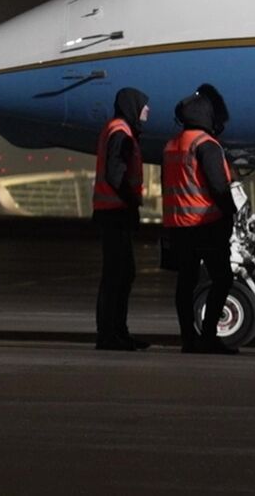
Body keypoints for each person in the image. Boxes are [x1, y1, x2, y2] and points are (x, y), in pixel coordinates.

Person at [162, 87, 239, 355]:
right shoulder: (206, 145)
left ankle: (188, 339)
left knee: (186, 282)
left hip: (177, 226)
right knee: (222, 279)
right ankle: (208, 336)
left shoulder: (172, 144)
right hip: (206, 225)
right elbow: (219, 187)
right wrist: (231, 213)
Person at [92, 87, 150, 351]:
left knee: (121, 275)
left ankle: (116, 332)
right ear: (132, 106)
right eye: (144, 105)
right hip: (115, 213)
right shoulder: (121, 133)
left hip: (113, 212)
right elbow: (116, 175)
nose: (147, 110)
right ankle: (109, 334)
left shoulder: (120, 130)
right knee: (118, 276)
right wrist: (131, 203)